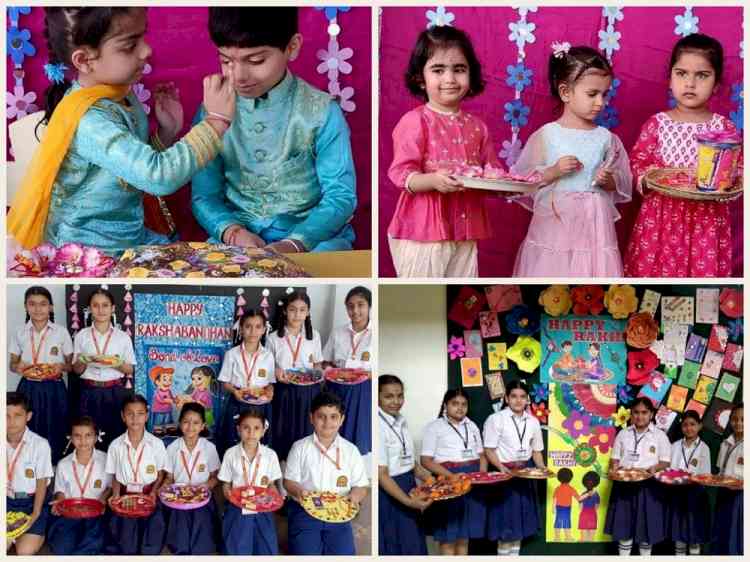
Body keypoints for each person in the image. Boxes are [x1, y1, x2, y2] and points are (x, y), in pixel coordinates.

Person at [7, 7, 236, 255]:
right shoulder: (90, 120)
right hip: (91, 252)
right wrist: (215, 122)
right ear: (84, 61)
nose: (147, 50)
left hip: (129, 236)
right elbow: (157, 177)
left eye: (142, 37)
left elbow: (126, 173)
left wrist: (166, 133)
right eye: (130, 45)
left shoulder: (119, 94)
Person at [192, 6, 357, 253]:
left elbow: (340, 197)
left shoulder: (322, 111)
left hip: (312, 238)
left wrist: (295, 243)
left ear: (292, 47)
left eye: (256, 60)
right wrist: (232, 232)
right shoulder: (212, 111)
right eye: (226, 61)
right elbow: (204, 196)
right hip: (238, 238)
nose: (238, 76)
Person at [387, 25, 502, 277]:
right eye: (438, 70)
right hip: (422, 230)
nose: (450, 79)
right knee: (420, 296)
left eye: (459, 69)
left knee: (455, 292)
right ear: (420, 77)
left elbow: (492, 173)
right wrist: (433, 180)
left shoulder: (478, 127)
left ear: (471, 73)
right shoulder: (415, 121)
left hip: (467, 227)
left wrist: (507, 183)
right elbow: (401, 174)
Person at [624, 33, 740, 277]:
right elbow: (636, 163)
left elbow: (737, 169)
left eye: (702, 75)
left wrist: (731, 180)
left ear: (717, 84)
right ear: (670, 79)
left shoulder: (724, 128)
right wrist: (648, 175)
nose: (690, 83)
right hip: (660, 220)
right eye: (682, 73)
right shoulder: (657, 124)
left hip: (706, 221)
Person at [511, 44, 632, 277]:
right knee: (553, 268)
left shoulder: (606, 138)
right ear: (565, 92)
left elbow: (623, 182)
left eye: (604, 94)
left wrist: (608, 180)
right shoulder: (547, 134)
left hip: (593, 224)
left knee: (591, 270)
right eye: (592, 94)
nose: (600, 102)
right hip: (556, 222)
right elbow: (522, 180)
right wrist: (554, 171)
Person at [284, 392, 369, 554]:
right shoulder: (299, 447)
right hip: (305, 511)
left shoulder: (351, 450)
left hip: (339, 512)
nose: (327, 422)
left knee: (344, 554)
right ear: (311, 418)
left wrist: (355, 497)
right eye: (321, 416)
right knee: (305, 553)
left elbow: (361, 485)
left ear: (342, 419)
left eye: (333, 417)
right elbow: (288, 482)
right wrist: (299, 491)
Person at [9, 286, 72, 464]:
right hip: (28, 387)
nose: (38, 309)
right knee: (29, 428)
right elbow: (12, 364)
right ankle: (28, 467)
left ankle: (53, 469)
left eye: (43, 304)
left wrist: (62, 367)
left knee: (55, 427)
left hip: (54, 388)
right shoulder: (19, 332)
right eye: (32, 304)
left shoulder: (60, 331)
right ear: (25, 307)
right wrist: (17, 367)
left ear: (51, 307)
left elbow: (72, 365)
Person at [420, 389, 487, 555]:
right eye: (455, 403)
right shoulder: (434, 427)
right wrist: (451, 476)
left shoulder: (472, 426)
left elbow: (482, 455)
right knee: (448, 538)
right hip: (448, 483)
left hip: (471, 484)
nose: (460, 408)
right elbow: (425, 460)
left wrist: (481, 476)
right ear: (446, 405)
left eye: (464, 404)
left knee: (465, 536)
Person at [483, 380, 545, 555]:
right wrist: (501, 468)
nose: (518, 401)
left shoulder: (533, 421)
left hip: (524, 476)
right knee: (506, 528)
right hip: (504, 476)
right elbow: (488, 450)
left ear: (527, 399)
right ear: (506, 398)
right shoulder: (496, 419)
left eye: (522, 397)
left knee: (519, 527)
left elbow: (537, 452)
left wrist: (541, 468)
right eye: (514, 396)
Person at [604, 397, 670, 556]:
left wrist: (654, 468)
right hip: (624, 485)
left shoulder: (660, 436)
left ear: (652, 414)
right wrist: (614, 468)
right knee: (624, 528)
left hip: (649, 487)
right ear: (631, 414)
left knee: (645, 530)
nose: (640, 416)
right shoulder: (623, 433)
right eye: (636, 413)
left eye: (644, 413)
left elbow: (665, 462)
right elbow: (615, 458)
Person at [72, 288, 134, 450]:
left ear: (112, 308)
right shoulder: (82, 336)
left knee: (116, 437)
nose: (100, 310)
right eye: (96, 305)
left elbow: (129, 370)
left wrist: (115, 362)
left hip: (114, 391)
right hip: (88, 391)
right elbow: (77, 370)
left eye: (105, 305)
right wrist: (83, 360)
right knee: (87, 437)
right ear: (90, 309)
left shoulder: (122, 337)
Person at [105, 394, 167, 554]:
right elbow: (114, 475)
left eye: (140, 413)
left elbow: (160, 474)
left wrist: (154, 492)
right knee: (126, 547)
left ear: (146, 416)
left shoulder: (157, 444)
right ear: (122, 416)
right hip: (125, 497)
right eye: (130, 413)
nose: (135, 418)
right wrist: (116, 494)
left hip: (149, 496)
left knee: (151, 545)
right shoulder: (115, 445)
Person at [377, 374, 432, 555]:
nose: (396, 401)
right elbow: (382, 474)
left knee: (414, 544)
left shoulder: (401, 420)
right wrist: (409, 502)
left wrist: (428, 477)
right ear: (377, 397)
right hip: (390, 492)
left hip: (409, 486)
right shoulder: (377, 424)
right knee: (396, 545)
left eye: (400, 395)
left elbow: (408, 459)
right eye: (389, 396)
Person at [267, 290, 323, 460]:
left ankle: (303, 464)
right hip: (284, 391)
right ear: (285, 311)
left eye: (302, 310)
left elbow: (317, 364)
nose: (297, 314)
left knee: (305, 429)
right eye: (292, 309)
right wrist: (275, 372)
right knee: (283, 429)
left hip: (308, 392)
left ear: (308, 312)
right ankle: (283, 468)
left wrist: (318, 373)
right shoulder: (273, 338)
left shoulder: (314, 336)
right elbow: (268, 367)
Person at [218, 408, 282, 555]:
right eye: (246, 428)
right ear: (238, 430)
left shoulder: (270, 455)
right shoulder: (230, 454)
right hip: (238, 507)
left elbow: (271, 484)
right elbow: (226, 483)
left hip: (262, 507)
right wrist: (228, 495)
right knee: (237, 548)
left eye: (256, 428)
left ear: (263, 431)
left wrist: (275, 496)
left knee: (267, 550)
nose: (251, 433)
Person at [47, 416, 111, 554]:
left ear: (96, 437)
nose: (83, 441)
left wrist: (103, 499)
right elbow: (60, 490)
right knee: (61, 548)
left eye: (88, 435)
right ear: (70, 437)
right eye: (77, 436)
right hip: (71, 513)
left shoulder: (106, 460)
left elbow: (110, 487)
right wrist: (60, 500)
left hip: (95, 513)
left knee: (94, 542)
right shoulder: (63, 464)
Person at [163, 403, 220, 554]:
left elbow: (215, 477)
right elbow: (169, 477)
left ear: (203, 426)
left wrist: (206, 486)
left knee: (202, 544)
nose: (190, 427)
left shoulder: (209, 448)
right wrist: (165, 486)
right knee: (180, 542)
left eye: (196, 423)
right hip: (178, 499)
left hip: (202, 497)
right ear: (180, 423)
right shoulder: (172, 448)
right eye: (186, 421)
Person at [217, 309, 275, 454]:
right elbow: (224, 382)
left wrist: (270, 392)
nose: (253, 331)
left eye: (257, 327)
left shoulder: (268, 355)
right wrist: (235, 391)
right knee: (234, 440)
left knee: (258, 441)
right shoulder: (232, 354)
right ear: (241, 329)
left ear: (263, 330)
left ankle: (256, 471)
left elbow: (269, 383)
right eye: (248, 326)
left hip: (260, 406)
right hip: (238, 403)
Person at [323, 286, 372, 455]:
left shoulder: (376, 333)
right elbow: (325, 361)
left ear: (369, 306)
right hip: (337, 390)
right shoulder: (338, 333)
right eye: (350, 306)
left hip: (363, 393)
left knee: (358, 441)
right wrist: (328, 369)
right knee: (333, 436)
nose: (355, 310)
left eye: (361, 305)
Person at [6, 392, 54, 555]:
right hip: (6, 501)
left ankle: (38, 532)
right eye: (5, 416)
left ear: (28, 416)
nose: (11, 421)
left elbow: (42, 483)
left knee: (24, 552)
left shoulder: (40, 444)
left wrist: (35, 514)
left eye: (17, 415)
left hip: (31, 502)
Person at [667, 410, 711, 555]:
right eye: (685, 425)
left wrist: (693, 479)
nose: (689, 428)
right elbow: (670, 470)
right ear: (681, 428)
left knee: (694, 535)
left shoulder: (704, 448)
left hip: (696, 497)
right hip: (677, 495)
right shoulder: (675, 446)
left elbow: (706, 475)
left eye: (693, 424)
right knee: (679, 533)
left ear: (700, 426)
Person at [712, 403, 743, 555]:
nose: (739, 423)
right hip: (723, 494)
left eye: (744, 419)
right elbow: (720, 470)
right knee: (721, 531)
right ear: (730, 421)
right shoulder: (726, 442)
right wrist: (715, 479)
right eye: (735, 419)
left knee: (737, 534)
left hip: (741, 498)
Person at [552, 468, 580, 541]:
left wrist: (553, 507)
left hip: (559, 507)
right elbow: (578, 498)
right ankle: (568, 537)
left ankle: (557, 537)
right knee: (567, 521)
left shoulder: (557, 488)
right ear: (570, 478)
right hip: (567, 508)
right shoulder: (571, 488)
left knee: (558, 520)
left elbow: (554, 498)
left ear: (559, 478)